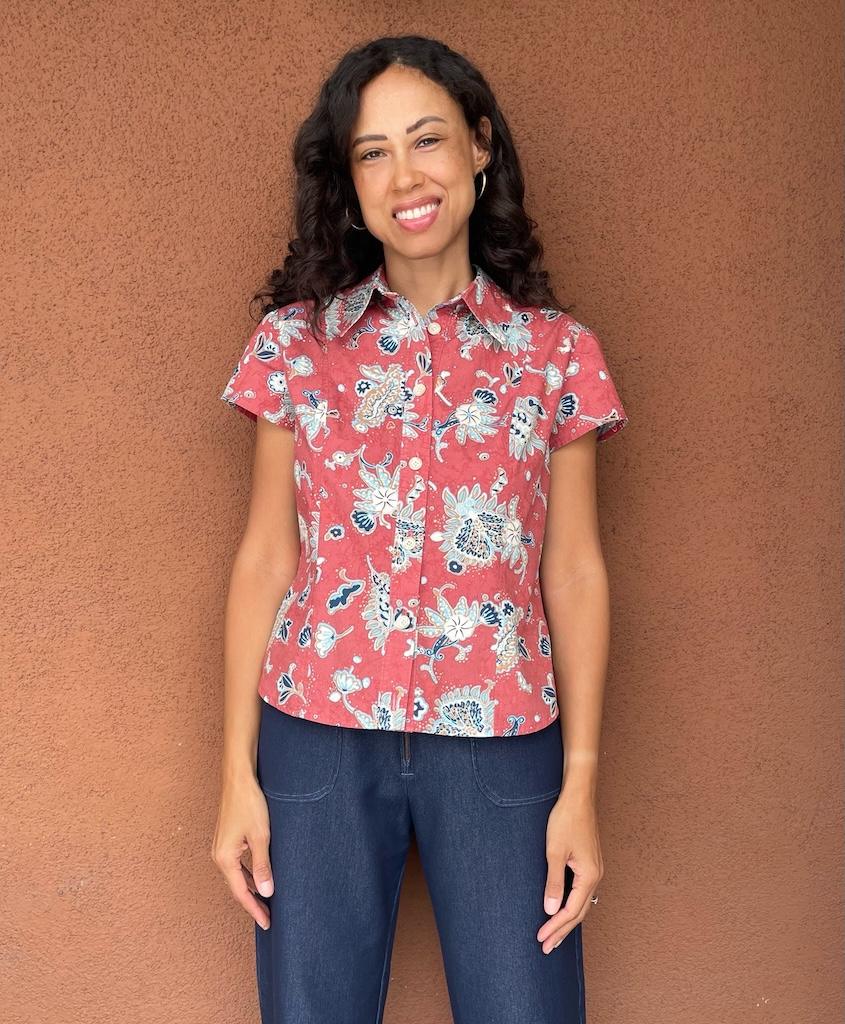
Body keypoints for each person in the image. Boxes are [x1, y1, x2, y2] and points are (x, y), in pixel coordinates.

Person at [212, 34, 629, 1024]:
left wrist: (579, 786)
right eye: (371, 152)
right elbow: (266, 555)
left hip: (501, 745)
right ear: (349, 183)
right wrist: (235, 774)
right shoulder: (295, 346)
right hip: (313, 739)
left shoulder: (555, 356)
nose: (404, 175)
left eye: (428, 139)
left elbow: (571, 570)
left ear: (480, 149)